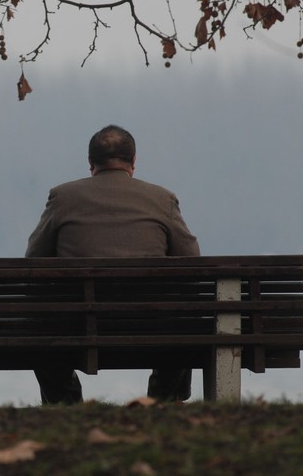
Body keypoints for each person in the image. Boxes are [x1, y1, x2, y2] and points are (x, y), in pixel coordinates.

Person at [25, 124, 200, 404]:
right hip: (153, 326)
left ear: (90, 163)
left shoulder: (63, 197)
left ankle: (65, 404)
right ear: (133, 162)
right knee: (184, 320)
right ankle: (163, 401)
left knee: (41, 324)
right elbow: (193, 265)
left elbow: (34, 261)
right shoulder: (162, 199)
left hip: (76, 326)